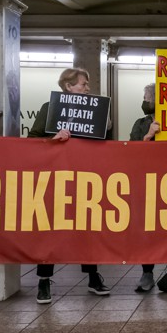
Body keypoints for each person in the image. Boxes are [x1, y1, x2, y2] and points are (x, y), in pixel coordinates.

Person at [28, 68, 111, 303]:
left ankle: (93, 276)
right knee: (49, 230)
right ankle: (44, 281)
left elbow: (104, 145)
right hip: (55, 178)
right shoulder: (50, 109)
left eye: (86, 84)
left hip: (85, 178)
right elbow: (32, 141)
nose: (87, 88)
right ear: (68, 87)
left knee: (88, 229)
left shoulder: (95, 111)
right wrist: (51, 140)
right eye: (83, 84)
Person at [129, 83, 167, 292]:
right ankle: (147, 272)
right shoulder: (140, 124)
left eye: (146, 96)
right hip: (148, 185)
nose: (144, 100)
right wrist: (148, 136)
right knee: (148, 230)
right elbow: (131, 152)